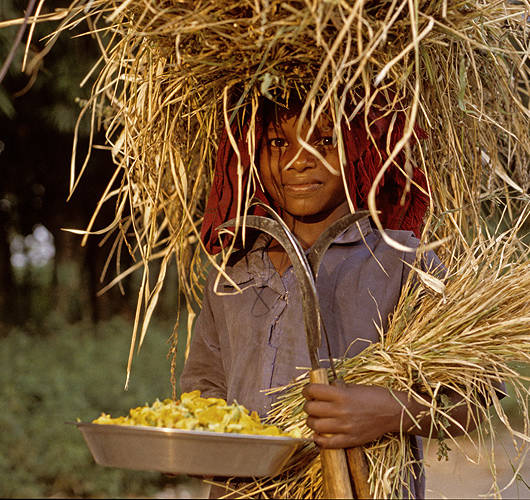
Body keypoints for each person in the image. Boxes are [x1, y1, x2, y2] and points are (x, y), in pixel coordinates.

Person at [180, 94, 485, 498]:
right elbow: (202, 390)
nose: (297, 160)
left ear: (360, 150)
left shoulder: (402, 263)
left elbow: (477, 395)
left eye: (324, 141)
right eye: (277, 143)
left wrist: (388, 410)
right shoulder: (232, 273)